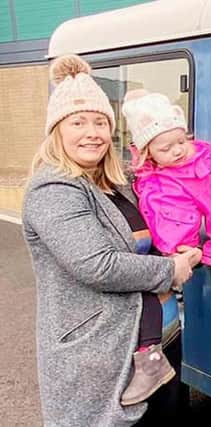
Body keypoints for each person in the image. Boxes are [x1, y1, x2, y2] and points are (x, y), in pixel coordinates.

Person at [22, 54, 201, 426]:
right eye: (78, 122)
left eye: (100, 122)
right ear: (57, 129)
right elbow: (98, 265)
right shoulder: (54, 188)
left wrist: (183, 245)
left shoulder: (115, 184)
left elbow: (151, 233)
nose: (93, 132)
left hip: (158, 341)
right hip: (103, 352)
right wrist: (171, 268)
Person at [122, 89, 211, 268]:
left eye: (182, 142)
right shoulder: (145, 173)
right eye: (166, 149)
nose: (178, 151)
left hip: (183, 252)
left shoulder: (196, 174)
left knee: (179, 294)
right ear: (147, 153)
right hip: (152, 253)